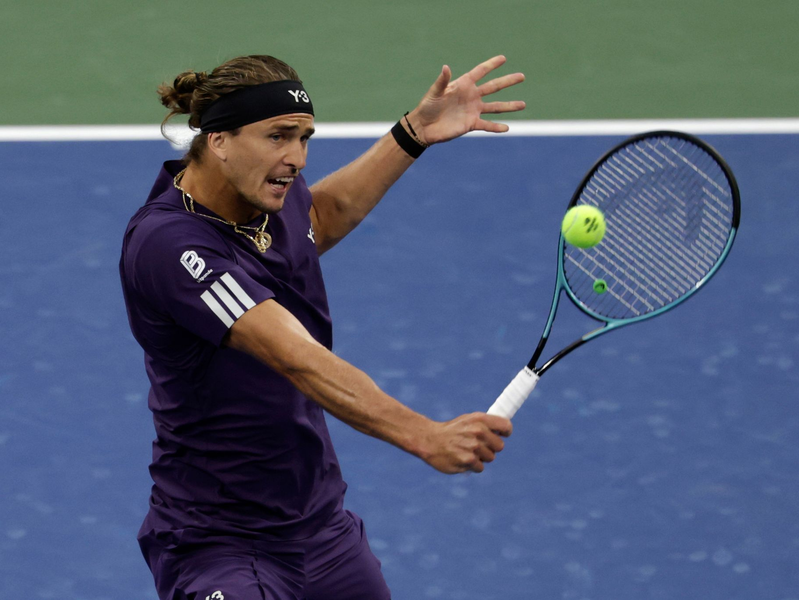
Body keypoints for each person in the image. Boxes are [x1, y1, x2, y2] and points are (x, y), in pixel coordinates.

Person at [120, 53, 525, 600]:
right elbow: (296, 357)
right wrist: (423, 434)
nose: (296, 158)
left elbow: (320, 219)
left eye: (305, 138)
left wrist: (412, 134)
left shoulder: (268, 198)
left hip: (321, 529)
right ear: (217, 138)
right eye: (278, 137)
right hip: (220, 543)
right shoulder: (168, 245)